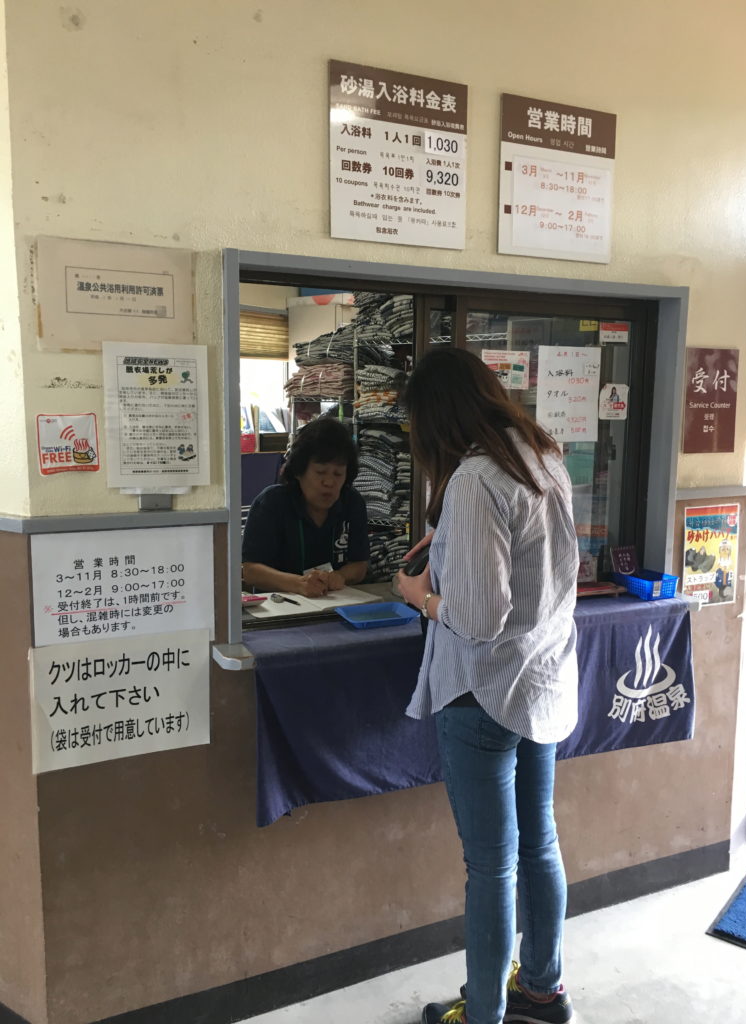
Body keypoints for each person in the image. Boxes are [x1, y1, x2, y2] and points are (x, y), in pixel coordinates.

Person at [396, 349, 579, 1024]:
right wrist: (444, 547)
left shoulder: (475, 479)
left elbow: (475, 617)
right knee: (539, 844)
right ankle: (541, 989)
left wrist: (420, 594)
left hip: (481, 695)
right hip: (540, 682)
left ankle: (484, 1016)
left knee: (492, 867)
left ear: (436, 419)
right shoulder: (542, 457)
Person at [242, 416, 369, 597]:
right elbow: (251, 571)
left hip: (336, 607)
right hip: (281, 610)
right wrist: (298, 584)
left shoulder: (352, 503)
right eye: (320, 472)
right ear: (299, 471)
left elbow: (360, 565)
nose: (329, 482)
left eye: (338, 473)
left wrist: (339, 576)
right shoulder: (271, 503)